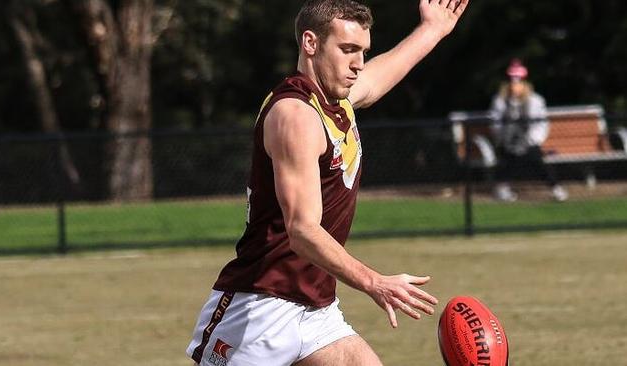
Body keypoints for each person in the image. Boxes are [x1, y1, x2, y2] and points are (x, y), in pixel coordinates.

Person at [185, 1, 468, 365]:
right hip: (260, 307)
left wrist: (433, 29)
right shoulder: (295, 115)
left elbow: (380, 76)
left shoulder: (337, 101)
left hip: (315, 307)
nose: (358, 64)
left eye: (363, 51)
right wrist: (374, 282)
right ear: (310, 43)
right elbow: (302, 230)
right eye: (347, 50)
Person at [489, 59, 569, 202]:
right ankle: (502, 188)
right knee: (508, 158)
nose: (515, 84)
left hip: (529, 141)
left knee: (536, 158)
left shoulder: (535, 100)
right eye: (512, 80)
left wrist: (531, 140)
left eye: (518, 80)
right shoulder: (500, 100)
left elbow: (541, 123)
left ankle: (555, 188)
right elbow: (496, 124)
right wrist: (505, 138)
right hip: (508, 142)